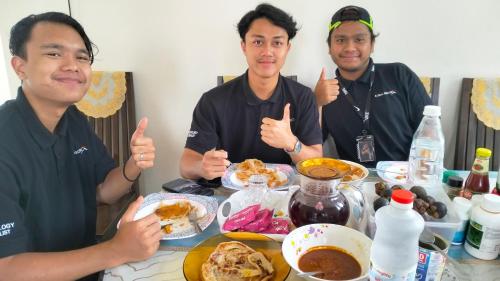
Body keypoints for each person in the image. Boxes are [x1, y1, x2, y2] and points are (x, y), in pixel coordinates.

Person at [0, 12, 161, 280]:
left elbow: (103, 192)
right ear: (20, 66)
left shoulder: (73, 119)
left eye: (82, 57)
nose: (72, 65)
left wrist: (134, 164)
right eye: (54, 54)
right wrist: (115, 250)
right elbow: (6, 268)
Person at [180, 4, 322, 181]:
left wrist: (292, 144)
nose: (267, 51)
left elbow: (316, 162)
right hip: (230, 196)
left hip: (286, 196)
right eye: (258, 42)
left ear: (287, 48)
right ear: (244, 46)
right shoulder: (213, 100)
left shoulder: (303, 97)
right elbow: (186, 164)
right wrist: (201, 167)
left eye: (277, 43)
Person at [315, 5, 432, 167]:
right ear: (329, 47)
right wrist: (317, 104)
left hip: (406, 178)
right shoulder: (325, 93)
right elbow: (312, 147)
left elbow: (430, 130)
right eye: (340, 40)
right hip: (355, 182)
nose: (349, 48)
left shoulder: (399, 74)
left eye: (359, 39)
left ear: (372, 44)